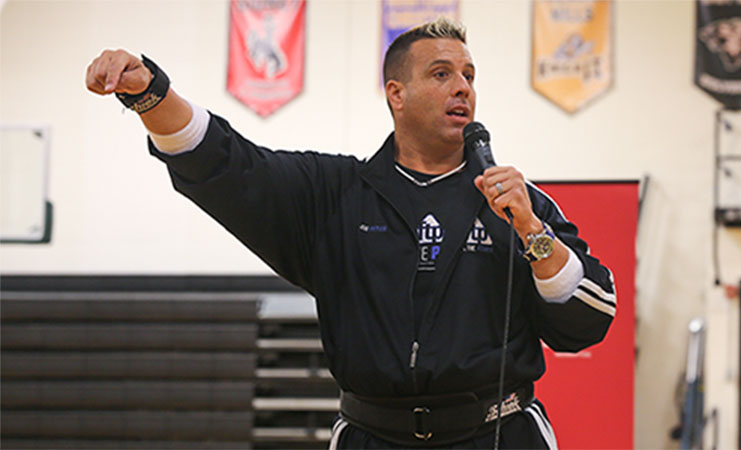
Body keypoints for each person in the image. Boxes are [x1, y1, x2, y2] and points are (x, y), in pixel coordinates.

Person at [85, 17, 616, 449]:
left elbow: (589, 322)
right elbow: (229, 165)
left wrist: (531, 231)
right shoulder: (335, 195)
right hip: (372, 436)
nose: (462, 88)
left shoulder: (519, 204)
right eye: (441, 74)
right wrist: (151, 95)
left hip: (500, 435)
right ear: (396, 94)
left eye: (469, 75)